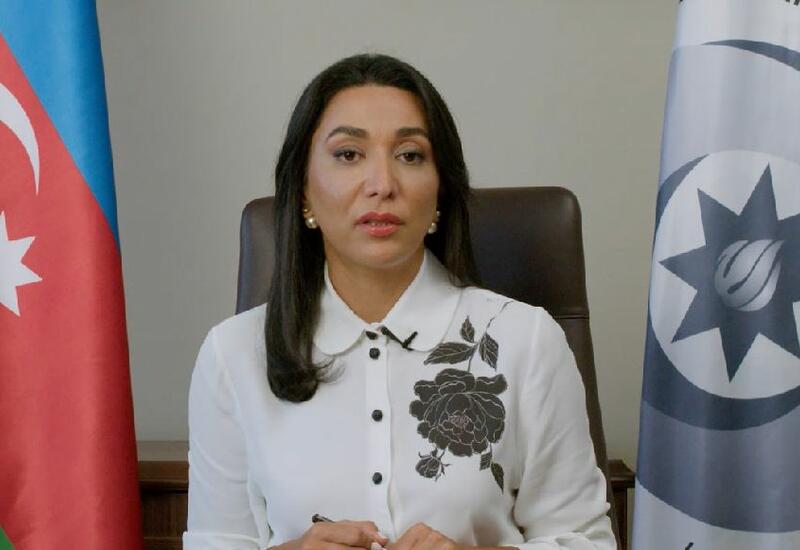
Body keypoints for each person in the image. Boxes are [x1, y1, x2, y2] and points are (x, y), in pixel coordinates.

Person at [183, 53, 616, 550]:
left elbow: (587, 542)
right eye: (349, 154)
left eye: (410, 155)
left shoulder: (526, 340)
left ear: (440, 190)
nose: (382, 185)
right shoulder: (234, 354)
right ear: (303, 191)